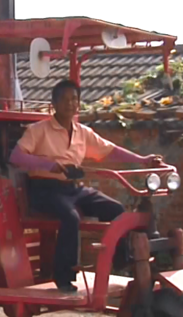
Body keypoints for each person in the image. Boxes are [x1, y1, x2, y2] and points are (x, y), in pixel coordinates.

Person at [10, 79, 163, 293]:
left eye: (74, 99)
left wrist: (143, 160)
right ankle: (64, 276)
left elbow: (110, 150)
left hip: (73, 188)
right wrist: (50, 165)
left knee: (116, 209)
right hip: (43, 189)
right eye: (64, 99)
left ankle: (120, 260)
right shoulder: (38, 130)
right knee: (70, 217)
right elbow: (16, 157)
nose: (70, 104)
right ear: (54, 104)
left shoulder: (83, 132)